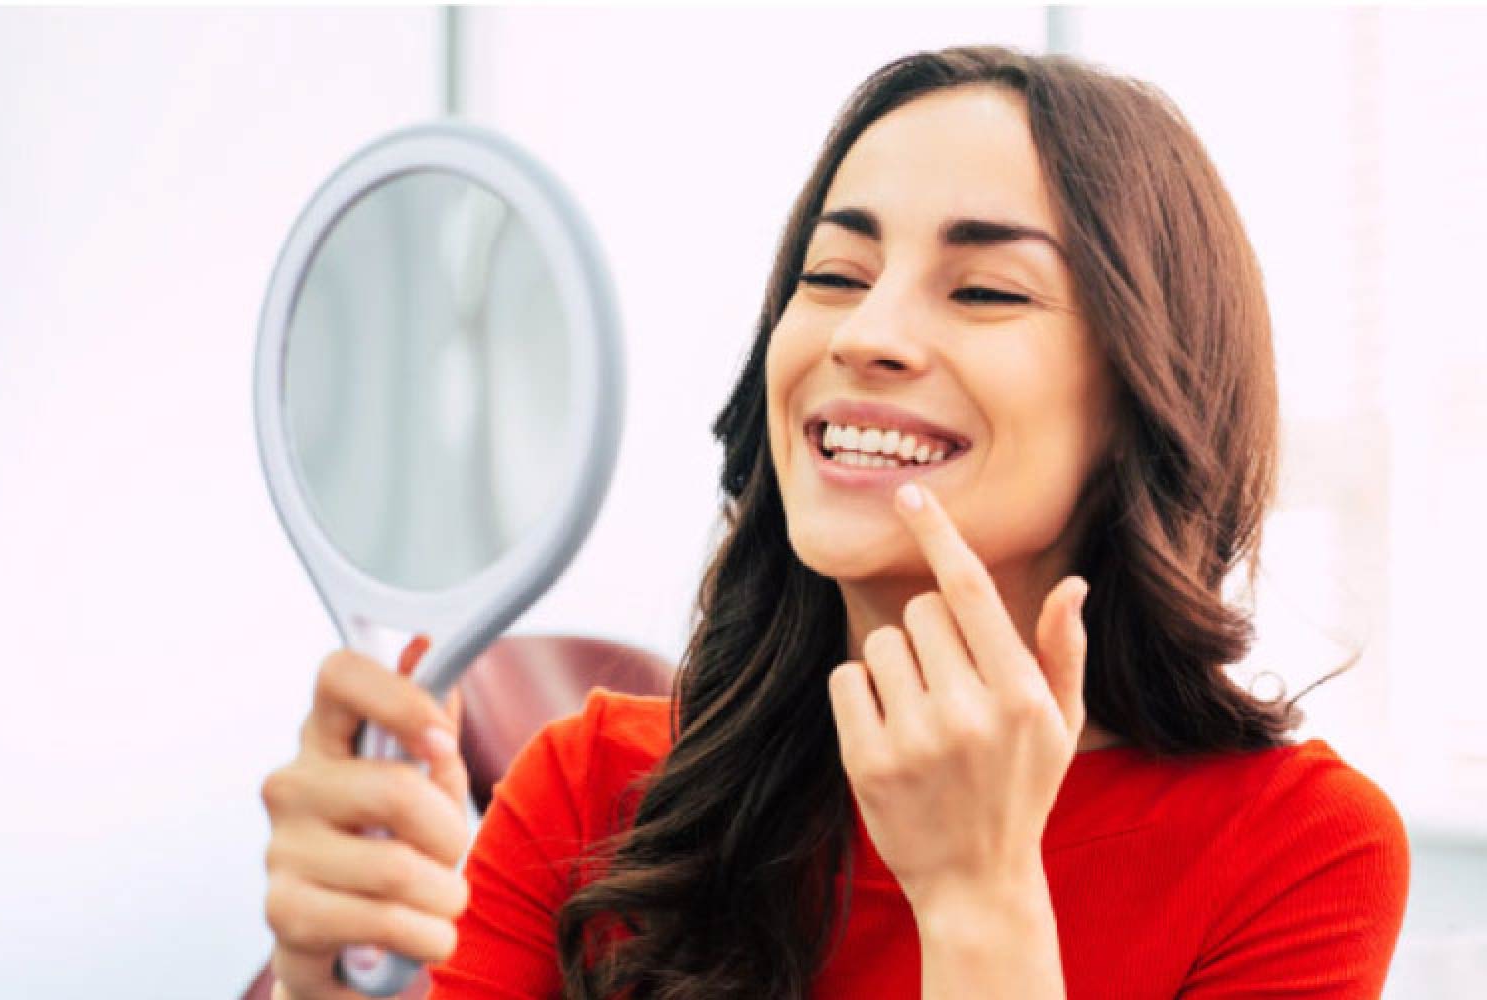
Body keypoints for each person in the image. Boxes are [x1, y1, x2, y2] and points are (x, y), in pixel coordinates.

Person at [261, 44, 1411, 1000]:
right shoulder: (584, 790)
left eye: (985, 290)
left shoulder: (1299, 854)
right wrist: (325, 985)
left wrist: (979, 898)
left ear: (1146, 399)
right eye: (833, 273)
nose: (866, 333)